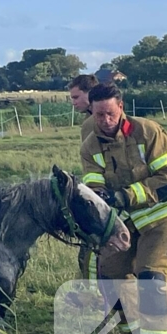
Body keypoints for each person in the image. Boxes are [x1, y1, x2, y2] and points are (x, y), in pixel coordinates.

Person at [80, 83, 167, 334]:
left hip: (162, 216)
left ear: (121, 107)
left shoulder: (148, 132)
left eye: (110, 113)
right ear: (91, 111)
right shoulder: (90, 145)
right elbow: (94, 184)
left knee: (151, 280)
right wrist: (99, 198)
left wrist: (124, 196)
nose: (105, 120)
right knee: (111, 277)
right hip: (125, 221)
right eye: (99, 115)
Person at [68, 74, 101, 293]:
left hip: (102, 190)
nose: (73, 102)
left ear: (90, 94)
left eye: (76, 97)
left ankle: (93, 294)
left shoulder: (91, 123)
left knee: (90, 248)